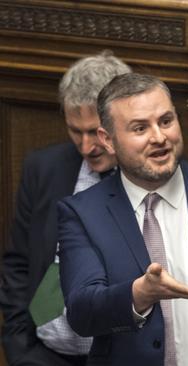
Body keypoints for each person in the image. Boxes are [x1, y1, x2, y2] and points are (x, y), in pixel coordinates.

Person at [57, 73, 188, 365]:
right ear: (108, 140)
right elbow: (83, 313)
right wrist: (139, 294)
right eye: (140, 128)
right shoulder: (83, 213)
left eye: (166, 121)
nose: (159, 137)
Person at [0, 50, 130, 366]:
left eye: (96, 132)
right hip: (43, 354)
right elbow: (18, 263)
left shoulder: (152, 178)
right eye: (76, 131)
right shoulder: (43, 168)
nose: (87, 147)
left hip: (117, 355)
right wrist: (20, 348)